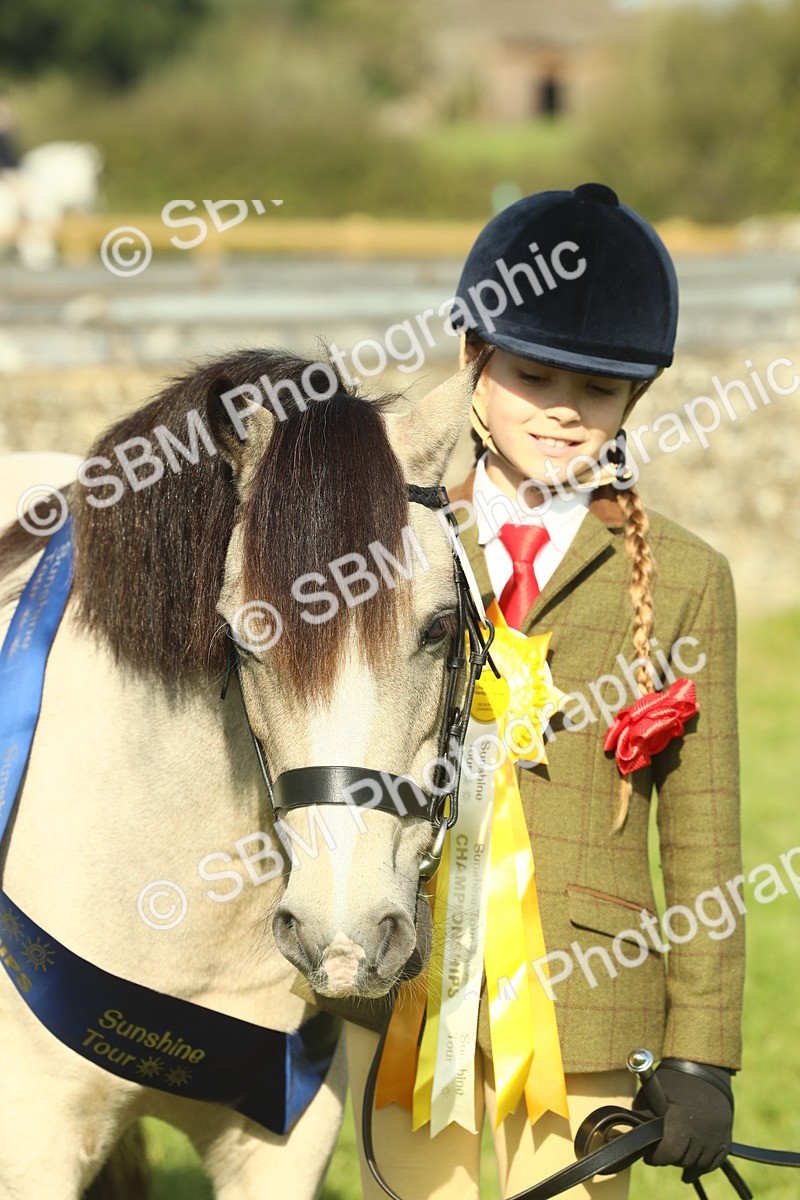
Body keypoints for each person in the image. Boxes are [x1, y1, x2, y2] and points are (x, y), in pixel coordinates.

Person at [345, 183, 744, 1199]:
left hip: (588, 1002)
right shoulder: (390, 546)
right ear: (473, 360)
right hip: (404, 982)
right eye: (532, 376)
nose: (564, 409)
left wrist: (703, 1053)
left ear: (634, 400)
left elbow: (704, 832)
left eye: (599, 390)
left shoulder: (687, 578)